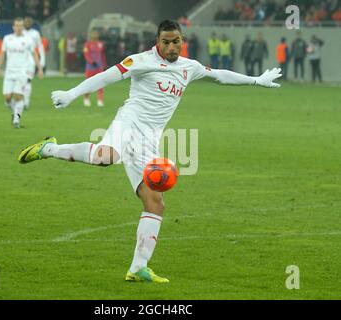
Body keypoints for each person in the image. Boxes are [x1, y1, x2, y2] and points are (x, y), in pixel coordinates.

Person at [18, 20, 281, 283]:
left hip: (149, 140)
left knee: (156, 202)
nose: (170, 46)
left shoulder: (190, 68)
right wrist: (72, 93)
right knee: (106, 157)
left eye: (175, 41)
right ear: (158, 41)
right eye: (165, 41)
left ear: (182, 40)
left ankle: (137, 268)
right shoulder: (140, 61)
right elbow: (106, 76)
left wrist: (256, 80)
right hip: (129, 122)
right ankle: (49, 148)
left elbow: (220, 75)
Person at [0, 17, 44, 129]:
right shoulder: (7, 39)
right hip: (9, 72)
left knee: (18, 95)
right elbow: (2, 54)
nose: (19, 28)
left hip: (22, 71)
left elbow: (34, 54)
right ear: (13, 27)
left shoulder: (28, 40)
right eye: (16, 25)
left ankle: (16, 119)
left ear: (23, 27)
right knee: (7, 98)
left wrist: (39, 68)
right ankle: (15, 111)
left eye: (20, 26)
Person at [23, 16, 46, 109]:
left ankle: (26, 102)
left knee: (28, 80)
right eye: (26, 22)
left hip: (31, 60)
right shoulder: (20, 32)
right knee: (20, 81)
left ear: (32, 24)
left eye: (29, 22)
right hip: (19, 60)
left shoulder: (35, 33)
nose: (27, 23)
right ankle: (20, 99)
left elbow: (40, 47)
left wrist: (42, 61)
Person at [83, 30, 107, 107]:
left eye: (96, 33)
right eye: (94, 33)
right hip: (90, 67)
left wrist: (104, 64)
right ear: (91, 35)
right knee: (89, 84)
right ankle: (86, 98)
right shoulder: (87, 44)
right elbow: (86, 54)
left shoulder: (101, 44)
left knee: (100, 83)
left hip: (99, 67)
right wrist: (91, 61)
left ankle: (100, 100)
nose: (95, 34)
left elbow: (102, 55)